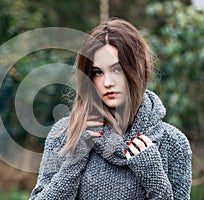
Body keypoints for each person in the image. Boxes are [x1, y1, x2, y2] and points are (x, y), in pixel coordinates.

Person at [30, 18, 192, 200]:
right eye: (98, 72)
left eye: (117, 69)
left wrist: (154, 176)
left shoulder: (173, 143)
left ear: (139, 69)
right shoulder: (66, 134)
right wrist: (75, 159)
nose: (108, 83)